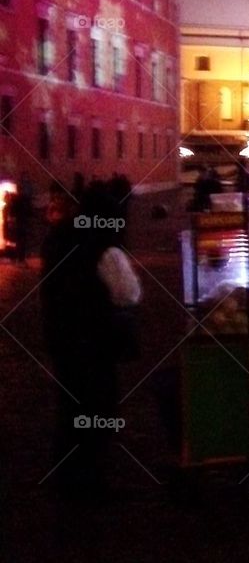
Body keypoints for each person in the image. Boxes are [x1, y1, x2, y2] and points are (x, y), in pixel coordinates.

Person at [40, 186, 142, 503]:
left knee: (70, 408)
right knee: (100, 408)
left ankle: (66, 476)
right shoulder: (105, 249)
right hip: (96, 343)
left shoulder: (58, 238)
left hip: (61, 339)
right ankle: (91, 482)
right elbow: (129, 293)